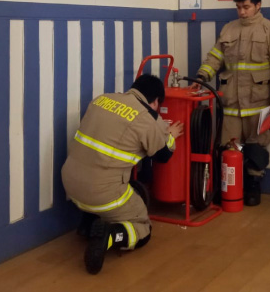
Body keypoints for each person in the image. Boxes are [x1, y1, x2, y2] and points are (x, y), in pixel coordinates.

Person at [61, 74, 184, 274]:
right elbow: (163, 156)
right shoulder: (146, 118)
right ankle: (110, 236)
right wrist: (169, 136)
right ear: (155, 101)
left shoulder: (102, 99)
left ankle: (88, 224)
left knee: (101, 172)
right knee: (142, 227)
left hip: (70, 186)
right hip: (101, 195)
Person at [190, 0, 270, 205]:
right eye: (238, 7)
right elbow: (215, 58)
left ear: (258, 5)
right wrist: (201, 77)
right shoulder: (228, 30)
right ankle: (229, 187)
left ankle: (253, 186)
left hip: (259, 101)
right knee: (228, 146)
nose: (242, 12)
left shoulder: (269, 30)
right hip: (231, 103)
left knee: (256, 146)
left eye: (246, 7)